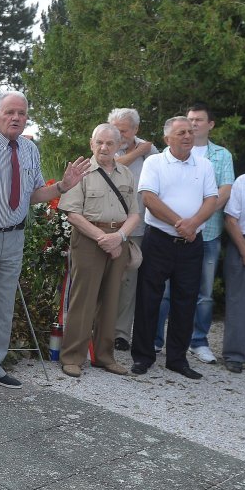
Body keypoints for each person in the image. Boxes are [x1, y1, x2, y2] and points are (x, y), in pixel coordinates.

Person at [0, 91, 90, 395]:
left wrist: (62, 186)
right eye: (9, 112)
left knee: (3, 306)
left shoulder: (30, 150)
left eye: (21, 113)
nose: (16, 118)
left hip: (13, 237)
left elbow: (33, 195)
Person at [130, 117, 218, 379]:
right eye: (181, 132)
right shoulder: (155, 163)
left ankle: (177, 359)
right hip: (159, 240)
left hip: (191, 244)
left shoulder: (204, 165)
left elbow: (211, 199)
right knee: (149, 299)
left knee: (186, 300)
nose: (188, 136)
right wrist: (181, 223)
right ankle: (143, 357)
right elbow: (148, 198)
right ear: (168, 138)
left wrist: (193, 225)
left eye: (190, 132)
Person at [58, 124, 140, 378]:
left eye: (110, 143)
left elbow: (135, 214)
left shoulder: (126, 174)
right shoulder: (80, 172)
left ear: (119, 146)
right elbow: (73, 213)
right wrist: (102, 237)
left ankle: (104, 356)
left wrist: (119, 237)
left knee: (112, 298)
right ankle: (72, 357)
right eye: (99, 142)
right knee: (83, 299)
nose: (104, 147)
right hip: (89, 240)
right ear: (91, 144)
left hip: (118, 240)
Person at [154, 104, 234, 362]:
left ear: (210, 124)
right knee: (164, 291)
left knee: (203, 295)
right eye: (189, 121)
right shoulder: (167, 156)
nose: (194, 125)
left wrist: (195, 220)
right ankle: (157, 340)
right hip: (172, 232)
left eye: (199, 120)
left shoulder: (220, 155)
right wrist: (183, 223)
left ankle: (198, 342)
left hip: (207, 233)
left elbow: (224, 191)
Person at [108, 108, 159, 351]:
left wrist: (144, 151)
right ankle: (99, 328)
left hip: (136, 228)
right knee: (104, 278)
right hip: (106, 226)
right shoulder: (108, 144)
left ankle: (120, 334)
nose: (119, 134)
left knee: (128, 281)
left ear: (136, 129)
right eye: (116, 129)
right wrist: (139, 150)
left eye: (124, 130)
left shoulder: (152, 154)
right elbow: (112, 166)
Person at [223, 173, 245, 373]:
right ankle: (235, 354)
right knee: (238, 301)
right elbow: (231, 219)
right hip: (242, 241)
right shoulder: (243, 181)